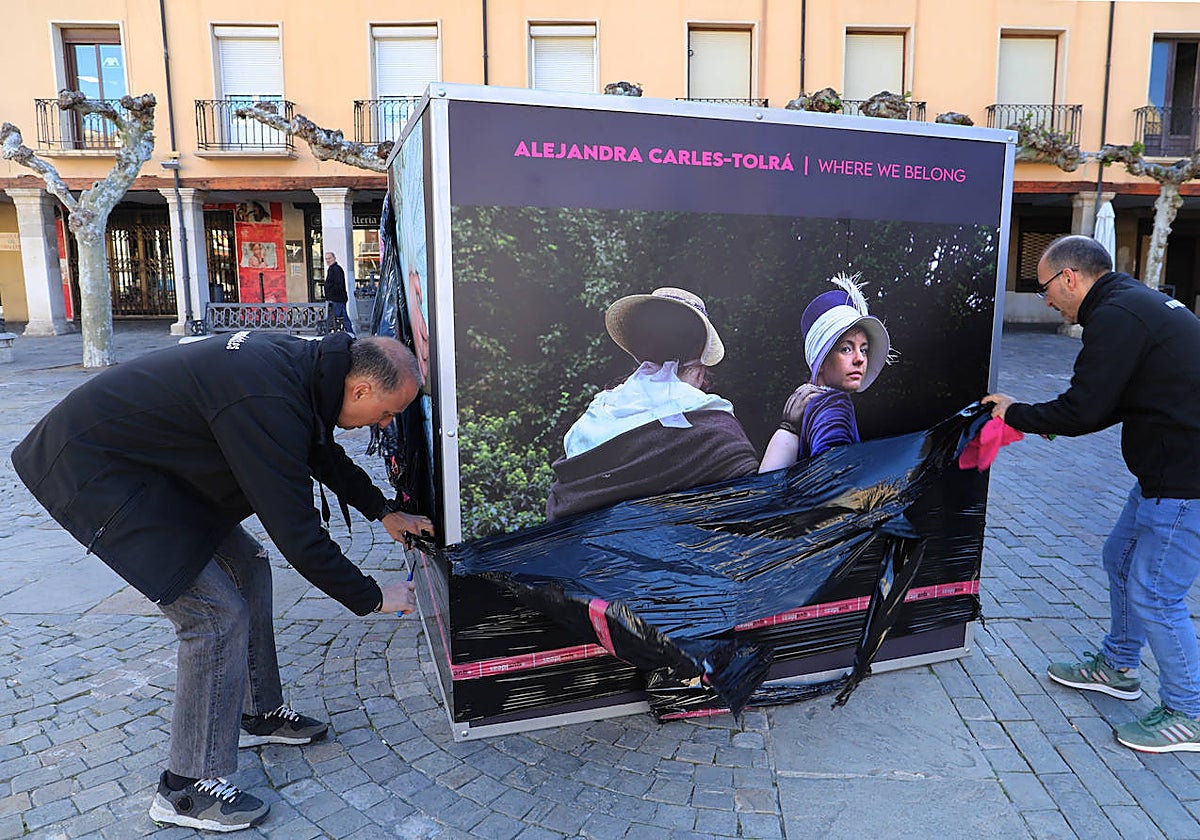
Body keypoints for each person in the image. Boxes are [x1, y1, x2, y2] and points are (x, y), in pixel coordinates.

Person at [11, 332, 434, 830]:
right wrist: (371, 596)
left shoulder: (309, 372)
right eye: (388, 413)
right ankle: (185, 788)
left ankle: (258, 711)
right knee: (214, 616)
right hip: (94, 470)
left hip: (157, 471)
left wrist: (382, 510)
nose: (384, 425)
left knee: (248, 565)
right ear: (361, 389)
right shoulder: (268, 397)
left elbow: (318, 452)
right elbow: (297, 533)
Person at [983, 234, 1200, 754]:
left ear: (1070, 278)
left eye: (1044, 289)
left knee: (1156, 591)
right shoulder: (1129, 305)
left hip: (1187, 479)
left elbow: (1082, 411)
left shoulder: (1117, 316)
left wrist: (1013, 413)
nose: (1048, 300)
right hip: (1165, 471)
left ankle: (1187, 713)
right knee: (1120, 558)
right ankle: (1119, 666)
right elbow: (1105, 404)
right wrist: (1039, 418)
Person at [546, 286, 760, 520]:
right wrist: (788, 429)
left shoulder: (596, 415)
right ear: (700, 365)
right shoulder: (712, 422)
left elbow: (561, 505)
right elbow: (754, 500)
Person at [759, 274, 892, 472]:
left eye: (863, 349)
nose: (860, 359)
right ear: (820, 363)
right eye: (846, 349)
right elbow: (833, 477)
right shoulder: (835, 404)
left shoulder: (804, 412)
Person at [324, 251, 355, 336]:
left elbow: (338, 285)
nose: (327, 260)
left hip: (337, 299)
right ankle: (350, 333)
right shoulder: (332, 269)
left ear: (334, 258)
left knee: (339, 318)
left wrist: (331, 293)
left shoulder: (336, 269)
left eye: (329, 258)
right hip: (336, 299)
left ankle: (350, 333)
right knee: (341, 318)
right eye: (326, 259)